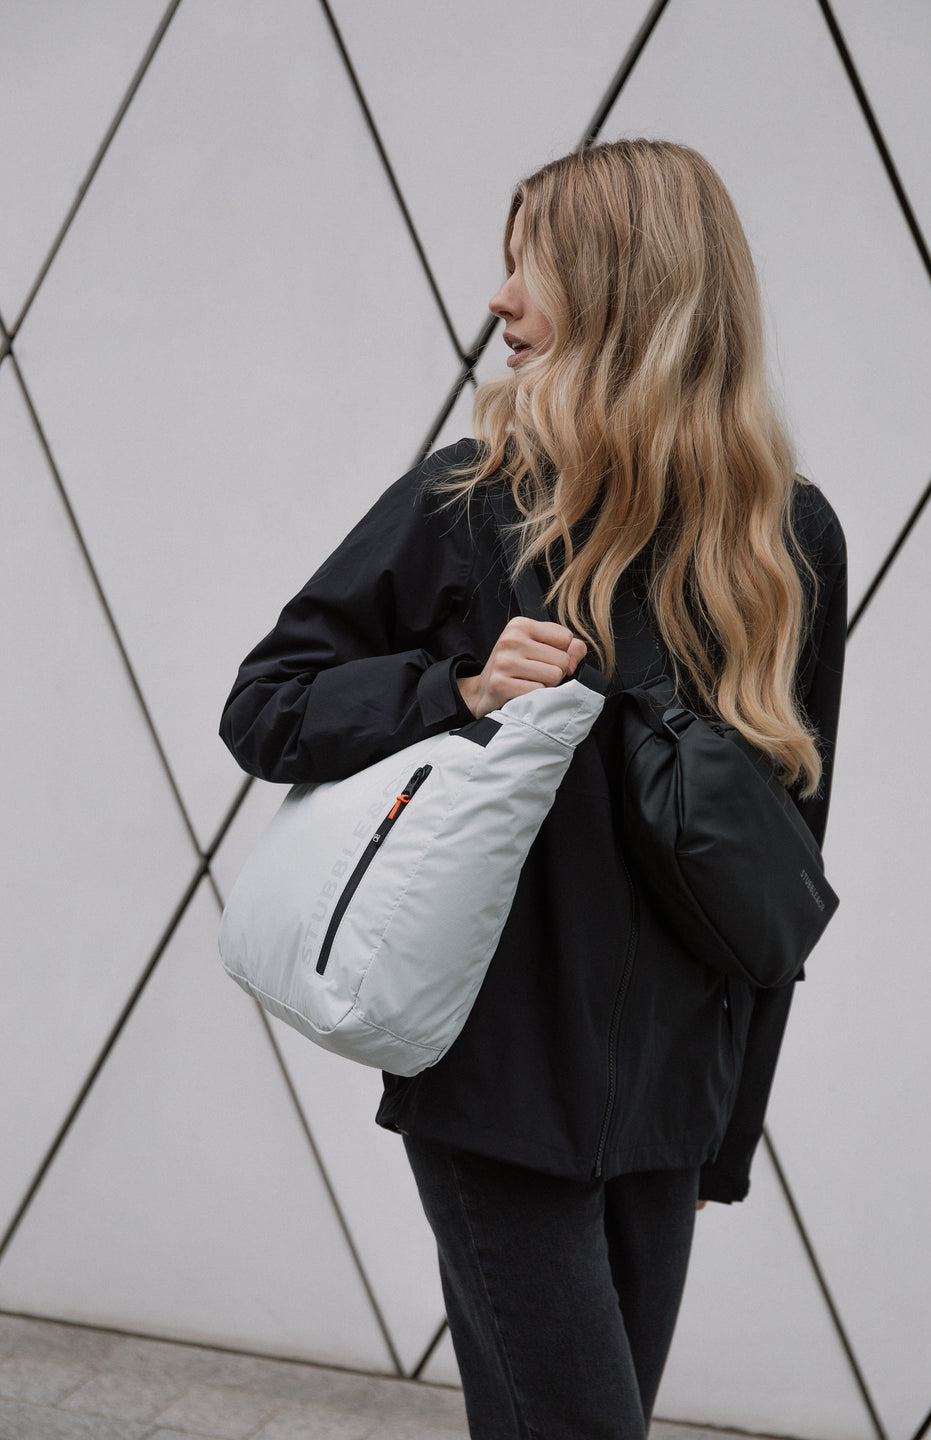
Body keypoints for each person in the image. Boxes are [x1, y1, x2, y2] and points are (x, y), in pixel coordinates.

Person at [220, 139, 846, 1440]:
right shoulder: (470, 502)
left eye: (531, 264)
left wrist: (728, 1126)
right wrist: (455, 686)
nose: (499, 300)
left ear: (627, 286)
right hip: (497, 1088)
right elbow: (267, 704)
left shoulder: (785, 540)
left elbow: (785, 870)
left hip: (669, 1105)